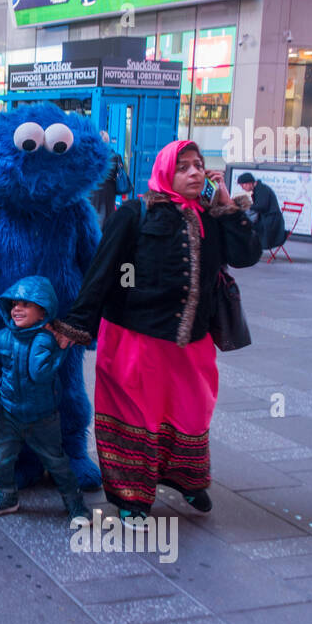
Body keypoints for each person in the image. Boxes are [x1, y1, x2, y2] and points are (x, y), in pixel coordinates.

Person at [52, 140, 261, 528]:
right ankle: (131, 496)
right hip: (135, 340)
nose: (196, 173)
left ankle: (186, 478)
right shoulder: (136, 213)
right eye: (184, 167)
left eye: (200, 165)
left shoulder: (211, 216)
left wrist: (227, 206)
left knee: (191, 413)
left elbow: (248, 255)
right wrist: (77, 325)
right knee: (136, 417)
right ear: (166, 173)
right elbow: (102, 270)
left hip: (192, 344)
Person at [0, 276, 89, 524]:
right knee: (0, 457)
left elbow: (41, 373)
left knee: (57, 461)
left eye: (26, 304)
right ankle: (6, 496)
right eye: (15, 304)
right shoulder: (2, 338)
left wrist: (58, 349)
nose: (17, 309)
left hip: (43, 417)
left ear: (43, 312)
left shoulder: (46, 340)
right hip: (9, 415)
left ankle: (75, 503)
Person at [236, 172, 285, 250]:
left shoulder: (262, 189)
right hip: (266, 218)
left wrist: (246, 208)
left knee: (245, 225)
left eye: (243, 185)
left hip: (271, 221)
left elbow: (261, 206)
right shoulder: (259, 188)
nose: (242, 188)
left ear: (249, 183)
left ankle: (249, 248)